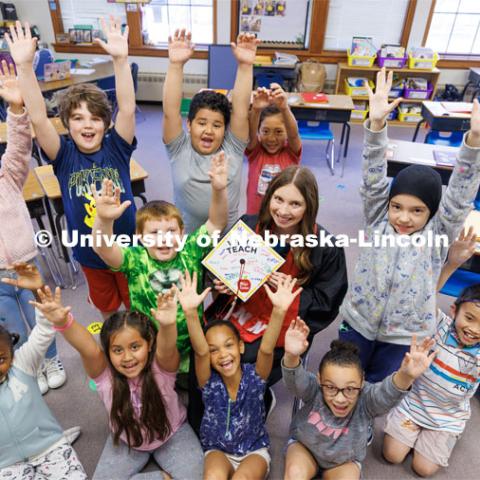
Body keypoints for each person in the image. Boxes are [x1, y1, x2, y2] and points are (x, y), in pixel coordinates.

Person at [338, 67, 480, 382]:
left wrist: (473, 142)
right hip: (358, 321)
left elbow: (458, 197)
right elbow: (374, 179)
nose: (404, 217)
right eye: (397, 207)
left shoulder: (438, 233)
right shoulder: (377, 218)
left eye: (416, 211)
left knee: (381, 387)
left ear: (431, 213)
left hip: (403, 335)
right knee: (345, 379)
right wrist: (375, 125)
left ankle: (364, 430)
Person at [8, 18, 137, 320]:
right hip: (90, 255)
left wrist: (120, 60)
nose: (88, 124)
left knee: (137, 311)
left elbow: (128, 108)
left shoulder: (116, 148)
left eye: (95, 118)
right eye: (78, 118)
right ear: (67, 125)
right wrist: (26, 67)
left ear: (106, 124)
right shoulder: (64, 155)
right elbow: (39, 119)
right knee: (109, 314)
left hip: (127, 251)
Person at [31, 282, 204, 480]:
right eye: (117, 350)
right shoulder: (105, 376)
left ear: (149, 345)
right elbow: (88, 348)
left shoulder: (162, 367)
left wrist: (167, 325)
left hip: (173, 434)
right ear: (109, 353)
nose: (127, 357)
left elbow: (167, 346)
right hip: (126, 441)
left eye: (135, 347)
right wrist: (63, 323)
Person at [91, 151, 227, 373]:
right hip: (151, 349)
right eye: (154, 233)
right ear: (140, 236)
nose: (163, 238)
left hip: (194, 342)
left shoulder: (191, 249)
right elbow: (102, 246)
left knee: (195, 392)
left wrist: (219, 190)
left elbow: (217, 222)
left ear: (182, 233)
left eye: (171, 231)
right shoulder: (135, 258)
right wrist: (104, 219)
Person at [210, 166, 348, 386]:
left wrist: (291, 293)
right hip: (242, 310)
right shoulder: (250, 225)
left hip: (285, 325)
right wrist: (222, 282)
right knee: (207, 348)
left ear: (309, 206)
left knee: (241, 365)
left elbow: (326, 303)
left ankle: (259, 400)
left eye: (295, 204)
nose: (283, 211)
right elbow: (218, 265)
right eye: (278, 199)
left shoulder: (327, 247)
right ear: (269, 197)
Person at [177, 270, 301, 479]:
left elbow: (266, 350)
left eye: (228, 346)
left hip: (253, 452)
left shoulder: (256, 376)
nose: (223, 354)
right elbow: (200, 350)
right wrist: (190, 313)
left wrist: (279, 310)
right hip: (218, 450)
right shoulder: (208, 381)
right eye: (214, 350)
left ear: (241, 346)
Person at [282, 319, 435, 480]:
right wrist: (291, 356)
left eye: (349, 389)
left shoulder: (366, 398)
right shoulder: (315, 388)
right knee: (294, 475)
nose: (340, 399)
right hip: (305, 448)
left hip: (344, 460)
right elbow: (295, 382)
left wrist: (405, 375)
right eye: (331, 388)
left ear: (362, 382)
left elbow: (386, 394)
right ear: (320, 379)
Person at [383, 228, 480, 477]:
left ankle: (441, 436)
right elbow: (425, 296)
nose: (473, 329)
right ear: (454, 310)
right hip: (415, 401)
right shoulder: (440, 325)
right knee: (392, 455)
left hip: (448, 416)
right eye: (469, 318)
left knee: (423, 469)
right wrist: (452, 264)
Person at [0, 59, 65, 394]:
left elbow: (19, 146)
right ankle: (30, 368)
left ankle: (51, 359)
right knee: (12, 325)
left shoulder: (6, 176)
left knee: (41, 315)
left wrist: (15, 108)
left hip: (28, 262)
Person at [162, 28, 259, 233]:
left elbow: (240, 111)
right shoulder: (179, 148)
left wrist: (245, 65)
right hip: (187, 241)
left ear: (225, 128)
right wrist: (176, 65)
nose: (208, 131)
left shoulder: (231, 147)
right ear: (189, 124)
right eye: (201, 123)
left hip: (226, 241)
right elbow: (171, 112)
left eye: (217, 125)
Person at [0, 263, 86, 479]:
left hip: (50, 447)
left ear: (11, 351)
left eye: (0, 358)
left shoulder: (21, 363)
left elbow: (44, 331)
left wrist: (37, 292)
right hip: (7, 465)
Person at [246, 83, 301, 214]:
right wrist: (256, 110)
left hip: (282, 214)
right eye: (265, 131)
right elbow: (251, 134)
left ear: (286, 132)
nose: (271, 138)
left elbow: (294, 135)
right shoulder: (256, 152)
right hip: (256, 215)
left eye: (278, 132)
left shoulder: (291, 153)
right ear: (259, 131)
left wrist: (284, 108)